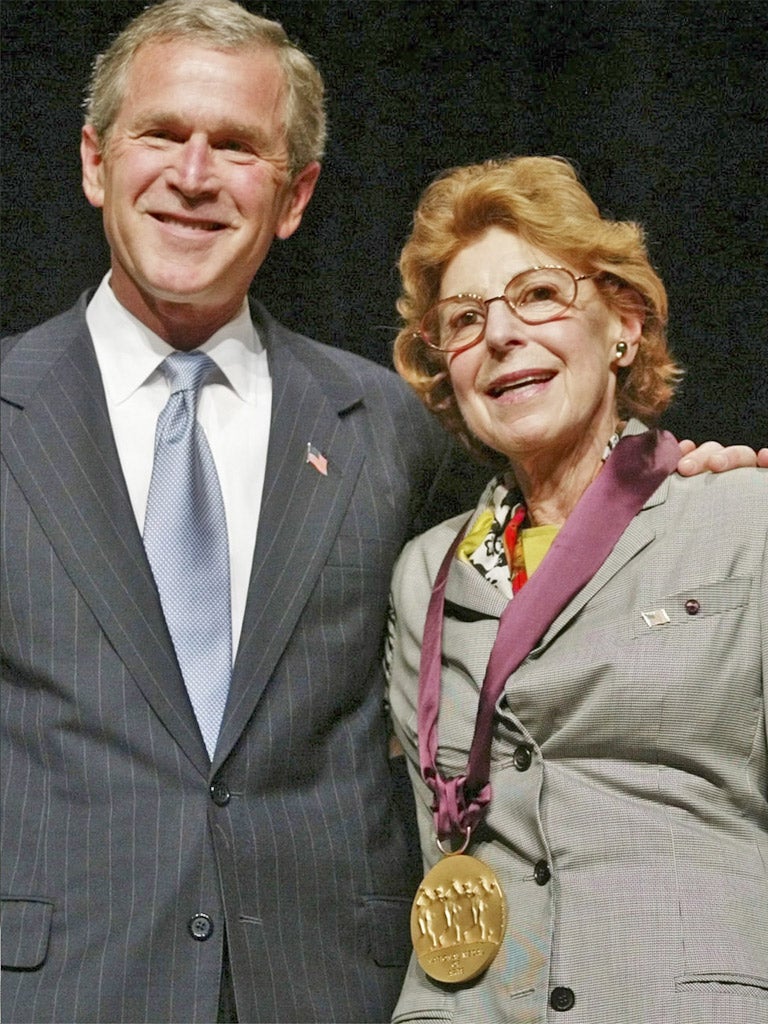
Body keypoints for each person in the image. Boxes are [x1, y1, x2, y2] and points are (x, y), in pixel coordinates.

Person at [0, 0, 760, 1019]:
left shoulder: (388, 428)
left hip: (334, 988)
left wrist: (701, 475)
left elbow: (570, 524)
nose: (193, 174)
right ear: (96, 161)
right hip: (59, 987)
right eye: (162, 134)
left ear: (296, 193)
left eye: (236, 146)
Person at [386, 155, 767, 1024]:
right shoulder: (427, 577)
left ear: (623, 324)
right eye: (465, 319)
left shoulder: (745, 519)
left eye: (538, 296)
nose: (501, 334)